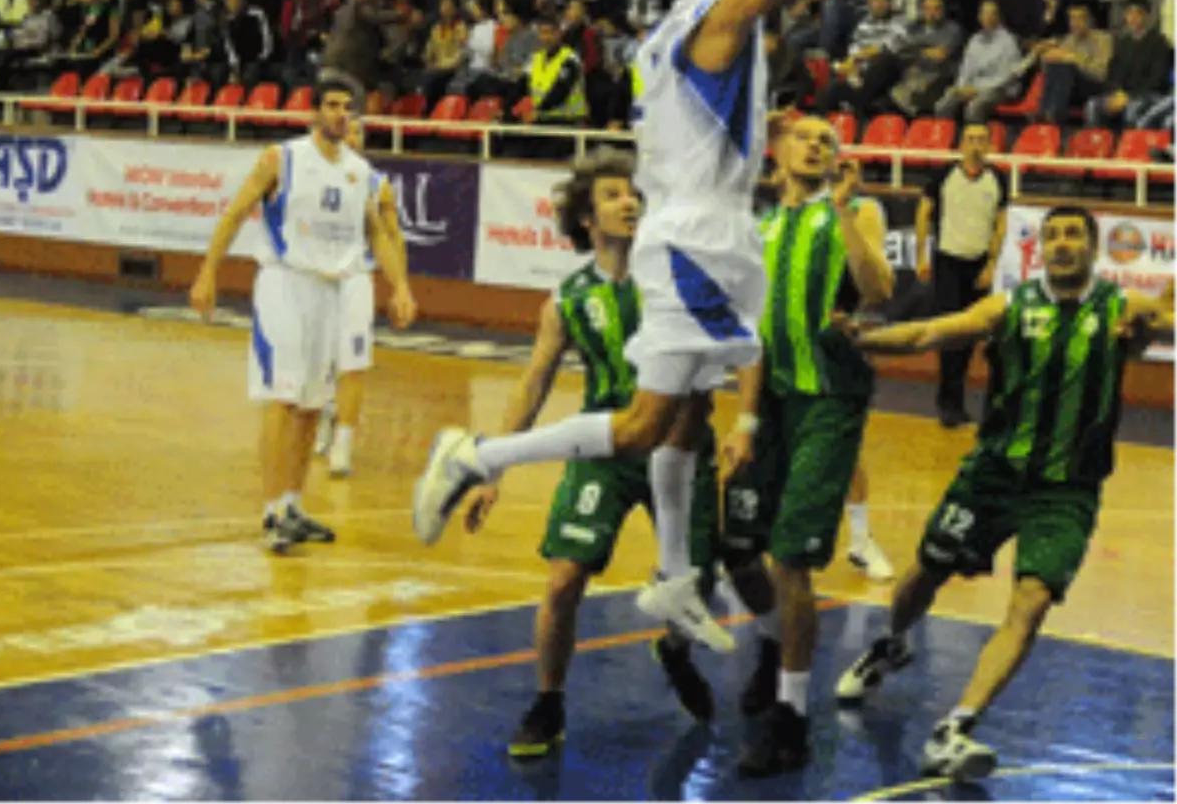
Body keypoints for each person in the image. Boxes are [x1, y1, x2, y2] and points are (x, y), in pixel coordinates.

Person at [411, 0, 878, 650]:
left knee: (688, 418)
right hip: (701, 241)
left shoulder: (666, 34)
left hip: (701, 229)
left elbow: (681, 121)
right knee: (642, 423)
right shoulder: (713, 10)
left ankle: (672, 576)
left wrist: (752, 129)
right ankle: (475, 456)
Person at [834, 205, 1177, 782]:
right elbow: (928, 331)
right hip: (992, 475)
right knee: (923, 575)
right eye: (1053, 236)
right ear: (1039, 249)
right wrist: (865, 339)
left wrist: (1153, 325)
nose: (1062, 244)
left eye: (1073, 235)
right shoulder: (1009, 306)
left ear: (1094, 249)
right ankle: (891, 643)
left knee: (1033, 601)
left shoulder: (1122, 310)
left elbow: (1167, 316)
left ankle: (956, 727)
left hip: (1067, 490)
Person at [464, 150, 720, 758]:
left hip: (680, 449)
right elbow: (532, 384)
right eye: (611, 195)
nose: (628, 201)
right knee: (562, 581)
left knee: (696, 585)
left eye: (633, 192)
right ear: (585, 219)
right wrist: (492, 467)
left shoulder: (676, 277)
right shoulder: (568, 301)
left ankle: (675, 649)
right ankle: (548, 703)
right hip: (606, 447)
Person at [720, 114, 894, 775]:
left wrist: (846, 211)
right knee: (737, 545)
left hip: (830, 402)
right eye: (805, 137)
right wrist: (745, 418)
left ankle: (791, 716)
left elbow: (878, 290)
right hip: (771, 403)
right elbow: (748, 332)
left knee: (791, 556)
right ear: (778, 153)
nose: (818, 145)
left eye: (829, 140)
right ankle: (772, 643)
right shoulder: (760, 228)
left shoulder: (858, 213)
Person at [189, 73, 416, 552]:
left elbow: (376, 233)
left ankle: (293, 503)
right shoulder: (282, 158)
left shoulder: (359, 171)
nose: (339, 114)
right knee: (284, 399)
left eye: (346, 107)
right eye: (330, 105)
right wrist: (207, 273)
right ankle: (271, 513)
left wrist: (399, 287)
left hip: (332, 292)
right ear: (314, 111)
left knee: (313, 406)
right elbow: (234, 213)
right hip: (285, 286)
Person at [314, 117, 413, 476]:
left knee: (352, 364)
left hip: (355, 279)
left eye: (357, 132)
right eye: (347, 130)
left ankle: (343, 443)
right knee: (320, 362)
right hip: (315, 279)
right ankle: (325, 414)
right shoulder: (311, 172)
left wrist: (401, 286)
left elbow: (392, 237)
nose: (350, 136)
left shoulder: (376, 183)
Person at [915, 123, 1008, 427]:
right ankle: (948, 402)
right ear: (961, 144)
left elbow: (1001, 224)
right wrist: (921, 255)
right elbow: (923, 214)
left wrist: (992, 264)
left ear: (990, 145)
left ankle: (958, 400)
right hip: (947, 262)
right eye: (970, 139)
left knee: (971, 334)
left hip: (978, 264)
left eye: (982, 139)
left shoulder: (998, 179)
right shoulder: (943, 176)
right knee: (950, 332)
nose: (976, 145)